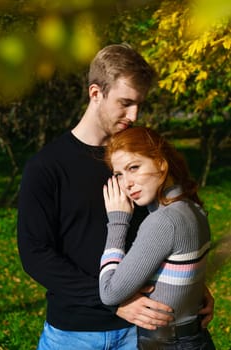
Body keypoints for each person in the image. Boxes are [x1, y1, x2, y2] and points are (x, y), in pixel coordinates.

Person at [17, 44, 214, 350]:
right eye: (125, 103)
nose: (134, 115)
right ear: (95, 93)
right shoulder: (46, 167)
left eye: (139, 104)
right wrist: (113, 302)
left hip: (141, 331)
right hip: (74, 334)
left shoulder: (137, 157)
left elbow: (168, 227)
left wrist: (191, 289)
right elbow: (35, 254)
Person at [99, 126, 216, 349]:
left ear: (161, 163)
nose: (127, 183)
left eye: (134, 167)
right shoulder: (193, 208)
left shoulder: (164, 221)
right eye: (119, 175)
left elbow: (109, 293)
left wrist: (117, 221)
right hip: (193, 337)